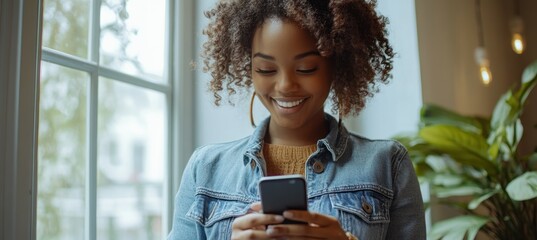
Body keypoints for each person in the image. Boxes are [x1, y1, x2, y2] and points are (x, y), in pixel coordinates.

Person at [168, 0, 426, 239]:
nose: (285, 86)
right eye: (265, 69)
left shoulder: (387, 163)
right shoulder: (205, 168)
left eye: (306, 69)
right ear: (249, 70)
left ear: (336, 66)